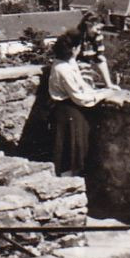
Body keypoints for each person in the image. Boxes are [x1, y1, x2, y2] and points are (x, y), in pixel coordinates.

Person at [48, 34, 108, 176]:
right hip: (68, 112)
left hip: (69, 111)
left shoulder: (67, 63)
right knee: (71, 153)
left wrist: (97, 91)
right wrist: (103, 95)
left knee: (75, 150)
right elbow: (79, 97)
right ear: (74, 49)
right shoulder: (63, 69)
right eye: (79, 47)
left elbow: (81, 84)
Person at [75, 13, 116, 89]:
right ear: (88, 25)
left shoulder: (97, 37)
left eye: (100, 29)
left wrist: (108, 84)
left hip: (85, 67)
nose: (99, 32)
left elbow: (100, 59)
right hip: (72, 68)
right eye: (97, 29)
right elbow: (70, 60)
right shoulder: (77, 37)